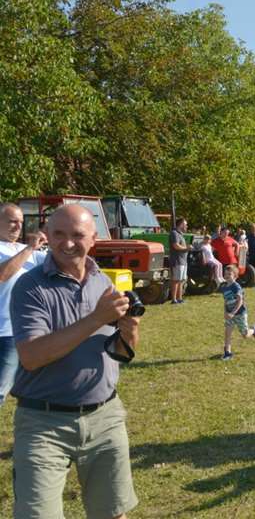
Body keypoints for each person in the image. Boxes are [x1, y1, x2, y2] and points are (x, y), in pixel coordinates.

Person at [10, 205, 140, 518]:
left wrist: (130, 333)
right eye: (59, 234)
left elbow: (120, 353)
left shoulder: (103, 283)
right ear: (47, 236)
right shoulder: (30, 288)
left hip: (105, 417)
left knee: (112, 512)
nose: (68, 243)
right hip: (44, 423)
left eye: (77, 235)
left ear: (94, 238)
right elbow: (32, 356)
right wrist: (97, 318)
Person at [0, 203, 47, 406]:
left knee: (1, 388)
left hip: (13, 331)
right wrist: (30, 248)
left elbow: (60, 264)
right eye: (12, 221)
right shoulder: (26, 251)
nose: (17, 226)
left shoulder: (28, 252)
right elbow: (2, 274)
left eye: (20, 222)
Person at [219, 264, 255, 360]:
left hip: (240, 314)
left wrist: (233, 313)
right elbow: (226, 301)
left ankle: (254, 330)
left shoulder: (236, 287)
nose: (226, 276)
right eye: (225, 274)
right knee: (227, 333)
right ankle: (227, 353)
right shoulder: (224, 287)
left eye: (229, 274)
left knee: (245, 335)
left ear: (235, 276)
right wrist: (226, 312)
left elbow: (240, 301)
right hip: (230, 315)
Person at [169, 217, 189, 304]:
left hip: (183, 261)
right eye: (185, 224)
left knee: (181, 280)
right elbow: (176, 246)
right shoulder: (174, 233)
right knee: (176, 280)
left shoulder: (180, 234)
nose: (186, 226)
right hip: (177, 260)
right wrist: (186, 248)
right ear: (181, 224)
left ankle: (179, 298)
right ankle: (174, 299)